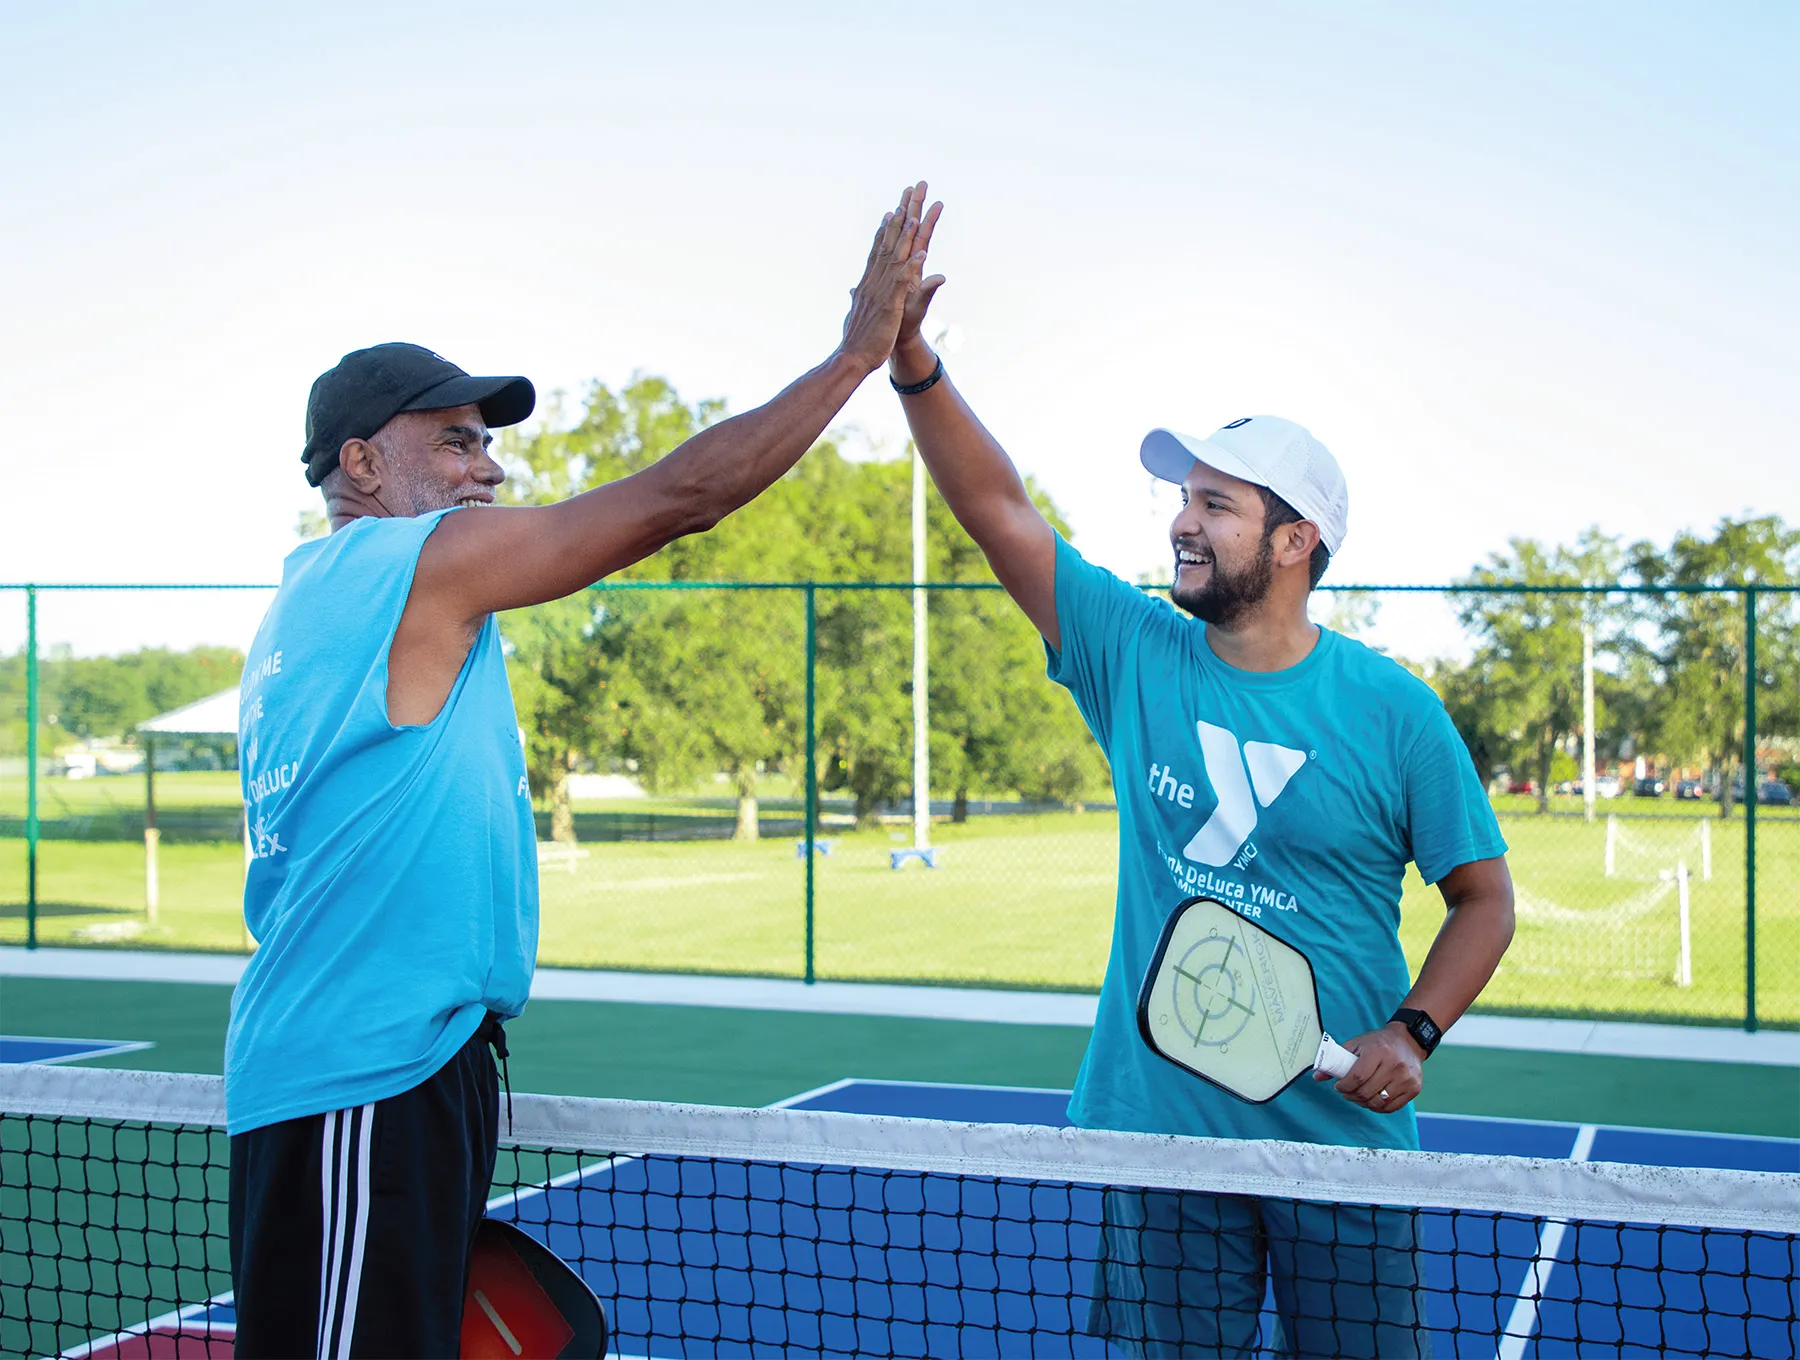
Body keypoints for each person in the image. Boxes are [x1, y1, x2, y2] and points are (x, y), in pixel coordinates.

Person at [225, 183, 942, 1358]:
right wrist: (856, 357)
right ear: (358, 461)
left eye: (489, 442)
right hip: (364, 1079)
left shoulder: (308, 607)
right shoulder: (408, 567)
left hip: (389, 1068)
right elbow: (680, 499)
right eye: (455, 439)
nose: (489, 468)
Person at [885, 216, 1515, 1358]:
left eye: (1217, 503)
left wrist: (1414, 1030)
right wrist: (912, 365)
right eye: (1185, 497)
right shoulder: (1134, 652)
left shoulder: (1393, 710)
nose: (1181, 518)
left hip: (1345, 1154)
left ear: (1293, 540)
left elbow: (1485, 895)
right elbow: (1001, 512)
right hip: (1161, 1133)